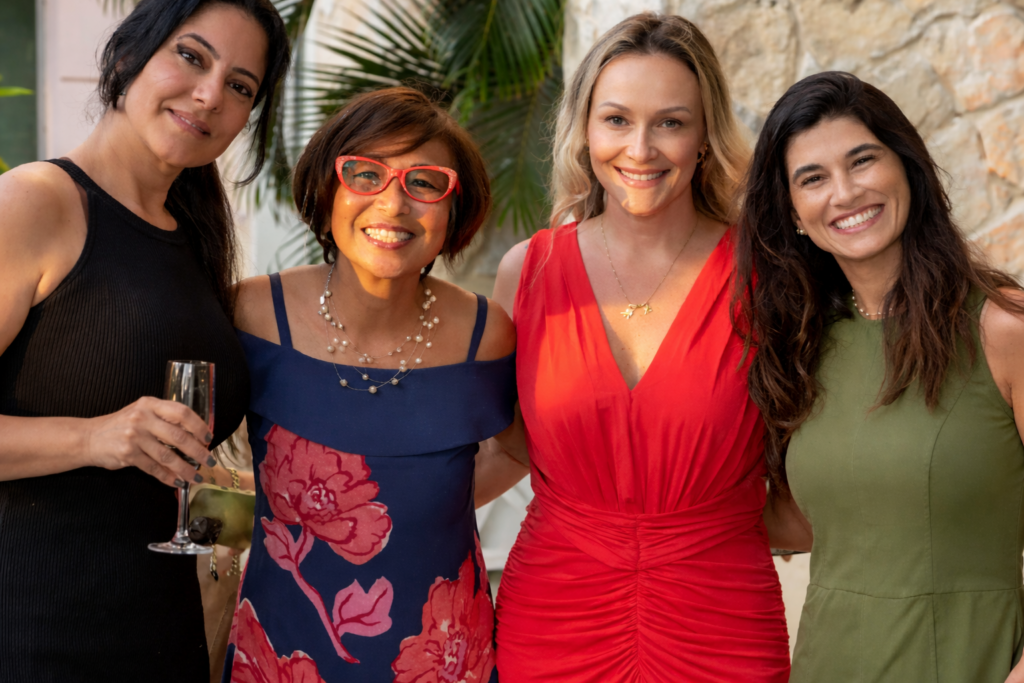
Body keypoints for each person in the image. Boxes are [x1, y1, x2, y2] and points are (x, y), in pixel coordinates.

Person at [492, 12, 790, 682]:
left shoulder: (768, 276)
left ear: (705, 137)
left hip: (720, 621)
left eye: (670, 123)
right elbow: (506, 447)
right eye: (617, 120)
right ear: (585, 129)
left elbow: (815, 458)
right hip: (554, 617)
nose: (641, 148)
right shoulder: (528, 271)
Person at [0, 1, 289, 679]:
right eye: (191, 56)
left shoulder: (194, 239)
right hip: (35, 637)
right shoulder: (35, 202)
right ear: (129, 54)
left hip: (163, 637)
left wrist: (255, 513)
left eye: (240, 85)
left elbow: (165, 478)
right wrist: (94, 438)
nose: (210, 94)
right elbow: (114, 442)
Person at [226, 86, 527, 683]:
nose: (393, 204)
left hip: (445, 659)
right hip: (285, 651)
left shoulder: (485, 333)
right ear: (326, 190)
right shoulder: (254, 314)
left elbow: (517, 449)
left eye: (424, 183)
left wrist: (419, 508)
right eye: (365, 174)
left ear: (454, 209)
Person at [736, 71, 1024, 683]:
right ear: (792, 212)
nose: (844, 193)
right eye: (812, 178)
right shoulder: (801, 346)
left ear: (907, 168)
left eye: (862, 160)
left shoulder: (1003, 328)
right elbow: (803, 520)